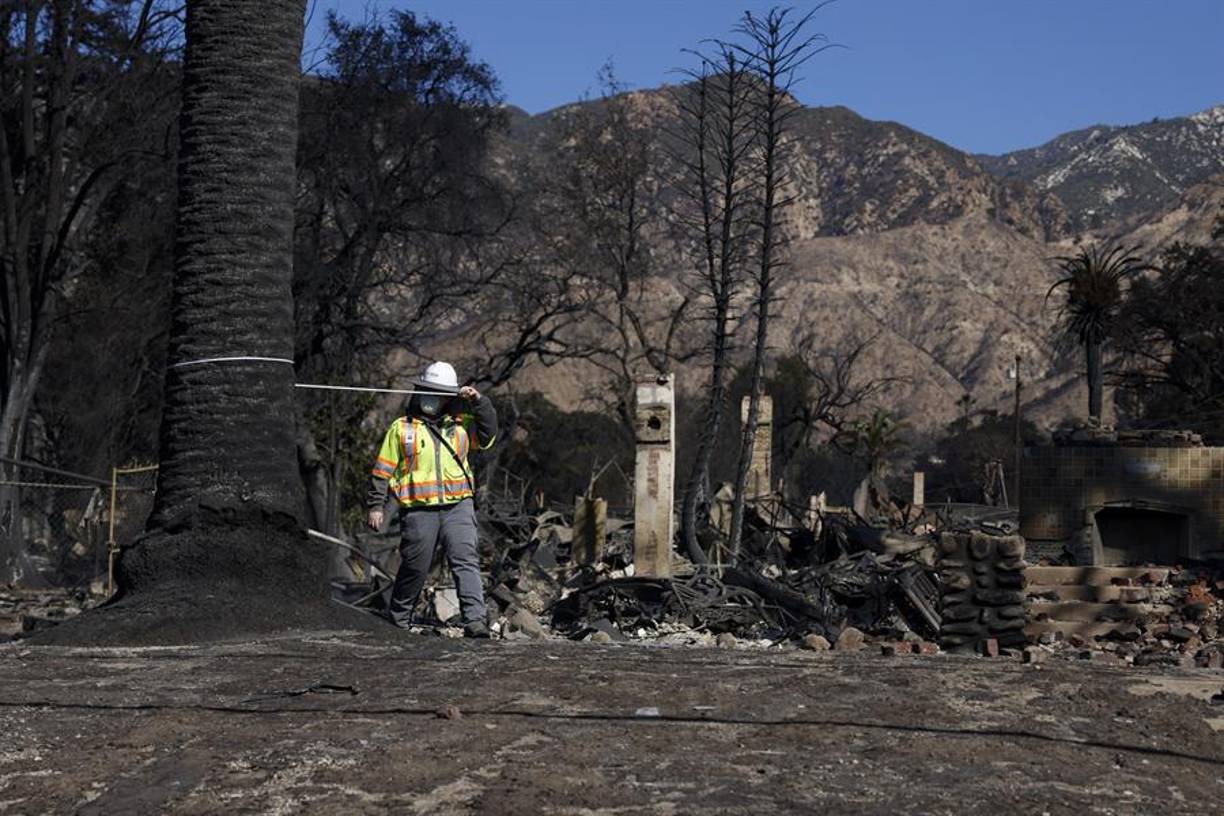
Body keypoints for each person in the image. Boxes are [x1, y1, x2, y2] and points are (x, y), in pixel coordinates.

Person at [366, 361, 498, 637]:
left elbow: (488, 434)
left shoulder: (461, 425)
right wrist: (376, 506)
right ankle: (399, 619)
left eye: (439, 393)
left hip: (457, 505)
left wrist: (480, 402)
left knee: (465, 559)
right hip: (418, 510)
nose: (432, 398)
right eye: (428, 391)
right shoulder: (402, 428)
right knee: (416, 565)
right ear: (419, 392)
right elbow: (382, 471)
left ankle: (475, 620)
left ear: (449, 398)